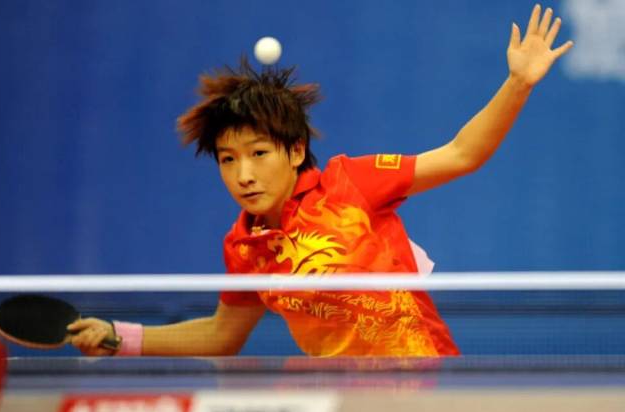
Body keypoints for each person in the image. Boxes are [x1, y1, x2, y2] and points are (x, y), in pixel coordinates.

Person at [69, 4, 573, 357]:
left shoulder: (350, 183)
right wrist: (119, 336)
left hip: (425, 387)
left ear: (295, 151)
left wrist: (517, 84)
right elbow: (223, 335)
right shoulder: (244, 246)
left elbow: (463, 154)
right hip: (338, 401)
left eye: (258, 154)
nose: (243, 174)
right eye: (227, 160)